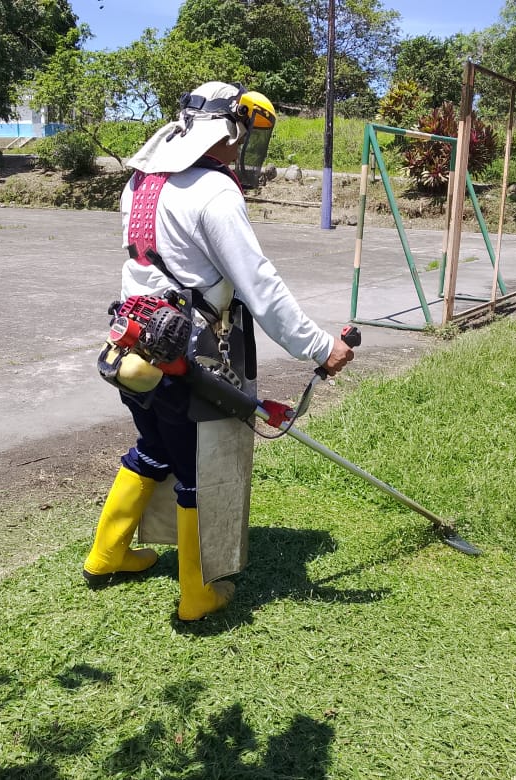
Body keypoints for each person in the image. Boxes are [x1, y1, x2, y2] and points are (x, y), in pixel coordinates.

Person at [83, 81, 354, 621]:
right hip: (187, 356)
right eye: (243, 134)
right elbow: (259, 283)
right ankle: (198, 594)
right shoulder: (214, 191)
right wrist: (320, 347)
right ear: (227, 130)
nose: (244, 146)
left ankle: (106, 556)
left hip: (132, 344)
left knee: (152, 447)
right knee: (196, 472)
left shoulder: (141, 181)